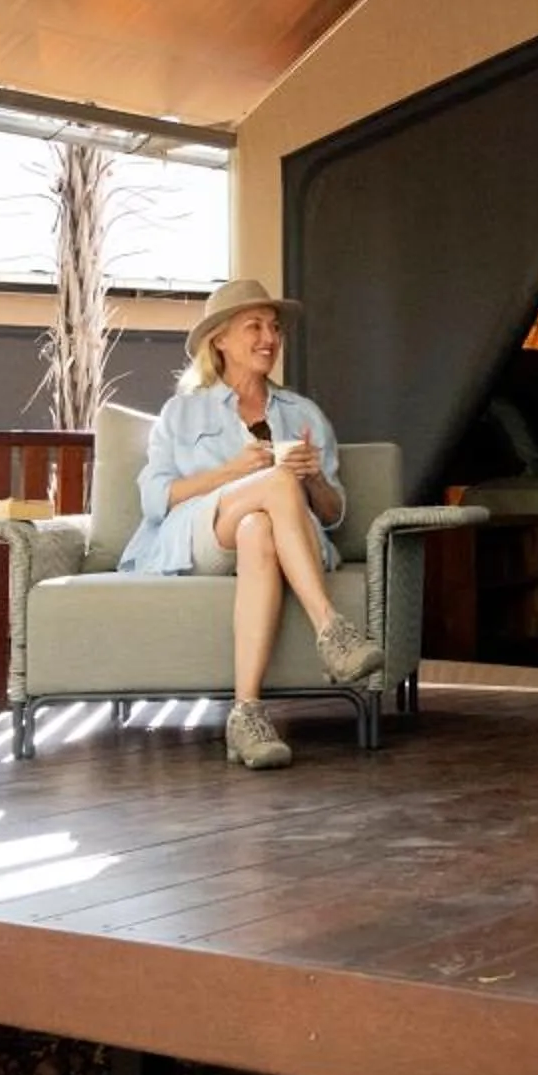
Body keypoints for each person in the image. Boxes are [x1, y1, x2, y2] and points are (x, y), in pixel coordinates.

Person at [123, 278, 384, 769]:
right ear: (219, 339)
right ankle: (331, 630)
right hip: (201, 535)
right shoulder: (182, 412)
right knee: (275, 485)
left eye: (274, 328)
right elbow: (155, 497)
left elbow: (332, 514)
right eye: (254, 327)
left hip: (270, 536)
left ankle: (246, 714)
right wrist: (232, 474)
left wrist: (313, 480)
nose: (270, 338)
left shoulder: (303, 413)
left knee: (260, 527)